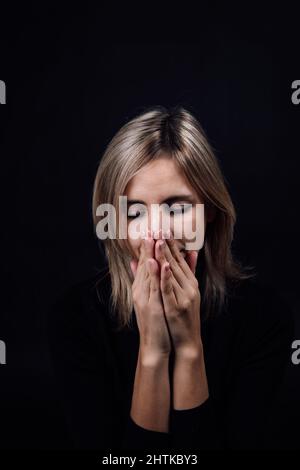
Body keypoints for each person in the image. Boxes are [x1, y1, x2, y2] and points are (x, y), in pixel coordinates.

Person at [47, 105, 294, 450]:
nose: (157, 233)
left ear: (209, 211)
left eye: (177, 208)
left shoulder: (265, 318)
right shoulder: (74, 320)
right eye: (134, 212)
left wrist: (189, 347)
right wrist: (153, 351)